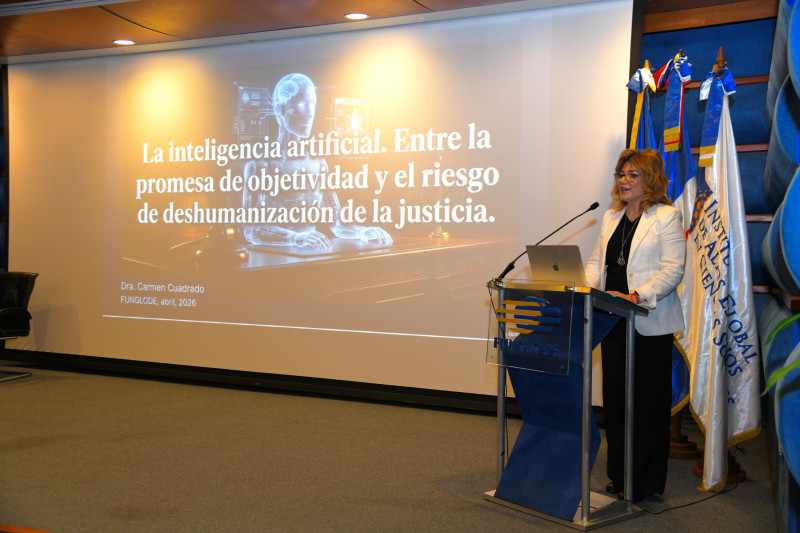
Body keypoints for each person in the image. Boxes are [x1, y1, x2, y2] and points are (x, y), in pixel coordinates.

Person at [584, 148, 686, 502]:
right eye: (621, 174)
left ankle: (644, 482)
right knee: (615, 401)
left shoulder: (667, 217)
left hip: (647, 322)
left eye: (632, 175)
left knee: (646, 404)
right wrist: (584, 289)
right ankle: (620, 475)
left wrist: (636, 295)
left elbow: (672, 271)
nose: (623, 180)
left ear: (650, 180)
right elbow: (596, 264)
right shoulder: (611, 217)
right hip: (611, 321)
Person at [242, 73, 392, 250]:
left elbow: (337, 223)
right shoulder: (261, 165)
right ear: (281, 110)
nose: (309, 114)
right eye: (301, 105)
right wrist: (294, 238)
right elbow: (252, 230)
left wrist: (362, 231)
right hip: (273, 259)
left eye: (312, 104)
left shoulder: (318, 163)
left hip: (310, 255)